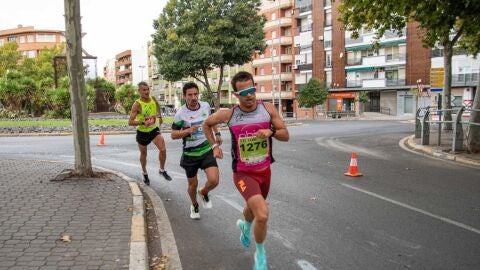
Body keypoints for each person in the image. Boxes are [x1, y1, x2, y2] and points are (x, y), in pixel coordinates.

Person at [203, 71, 289, 270]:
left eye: (252, 90)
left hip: (265, 171)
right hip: (243, 173)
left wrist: (272, 132)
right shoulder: (229, 114)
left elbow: (286, 135)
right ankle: (260, 254)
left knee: (252, 210)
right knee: (263, 214)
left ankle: (245, 226)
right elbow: (206, 124)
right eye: (244, 93)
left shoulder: (267, 109)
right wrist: (214, 146)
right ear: (236, 95)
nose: (249, 96)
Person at [171, 82, 222, 220]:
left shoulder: (205, 106)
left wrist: (217, 134)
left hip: (206, 149)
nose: (194, 97)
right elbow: (173, 134)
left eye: (195, 94)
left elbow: (212, 121)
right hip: (190, 154)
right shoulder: (181, 114)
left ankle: (204, 192)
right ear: (184, 96)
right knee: (192, 185)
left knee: (214, 180)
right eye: (190, 95)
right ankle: (194, 204)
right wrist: (187, 130)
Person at [128, 81, 172, 185]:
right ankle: (144, 172)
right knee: (144, 154)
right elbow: (130, 122)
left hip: (153, 130)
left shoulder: (153, 99)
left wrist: (160, 116)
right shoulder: (137, 105)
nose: (147, 92)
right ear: (139, 91)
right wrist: (142, 122)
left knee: (163, 149)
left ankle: (162, 170)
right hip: (142, 132)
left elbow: (157, 106)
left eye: (147, 89)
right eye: (144, 90)